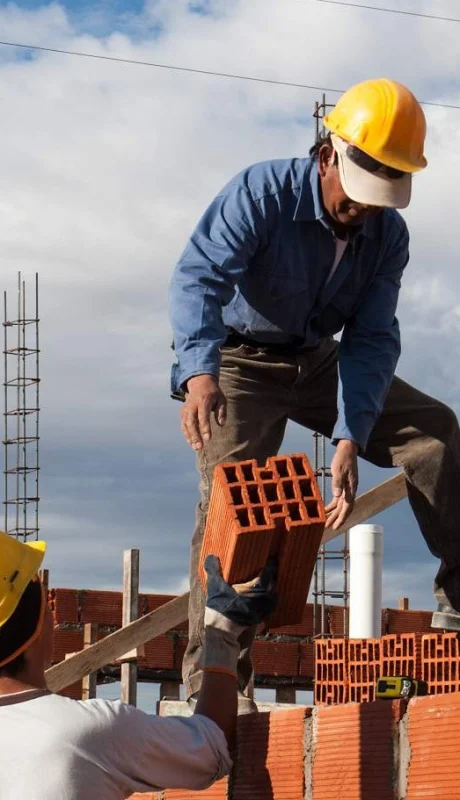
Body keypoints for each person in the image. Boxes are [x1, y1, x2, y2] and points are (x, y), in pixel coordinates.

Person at [169, 76, 460, 709]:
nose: (365, 209)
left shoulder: (388, 236)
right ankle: (216, 683)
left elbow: (372, 338)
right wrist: (199, 373)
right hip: (239, 363)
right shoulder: (260, 193)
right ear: (329, 154)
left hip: (318, 361)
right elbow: (198, 279)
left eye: (382, 197)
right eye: (359, 194)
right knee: (238, 501)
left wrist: (353, 434)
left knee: (435, 434)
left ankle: (457, 611)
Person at [0, 531, 276, 799]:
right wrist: (221, 635)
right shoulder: (84, 732)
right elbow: (211, 747)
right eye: (46, 603)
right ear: (36, 626)